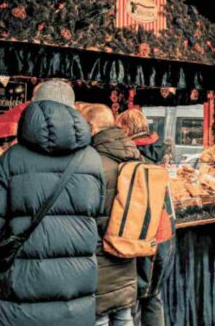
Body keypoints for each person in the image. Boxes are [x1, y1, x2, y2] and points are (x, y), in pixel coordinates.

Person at [0, 80, 106, 326]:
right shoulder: (93, 160)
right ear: (74, 108)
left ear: (33, 108)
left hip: (15, 300)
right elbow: (98, 221)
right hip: (74, 301)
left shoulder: (11, 159)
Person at [83, 104, 141, 326]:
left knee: (100, 317)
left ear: (91, 127)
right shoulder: (134, 156)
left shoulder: (92, 163)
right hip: (128, 252)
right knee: (123, 315)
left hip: (100, 255)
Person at [115, 109, 173, 326]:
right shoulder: (159, 151)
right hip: (164, 231)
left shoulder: (130, 153)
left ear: (126, 128)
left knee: (129, 299)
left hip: (139, 232)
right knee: (153, 295)